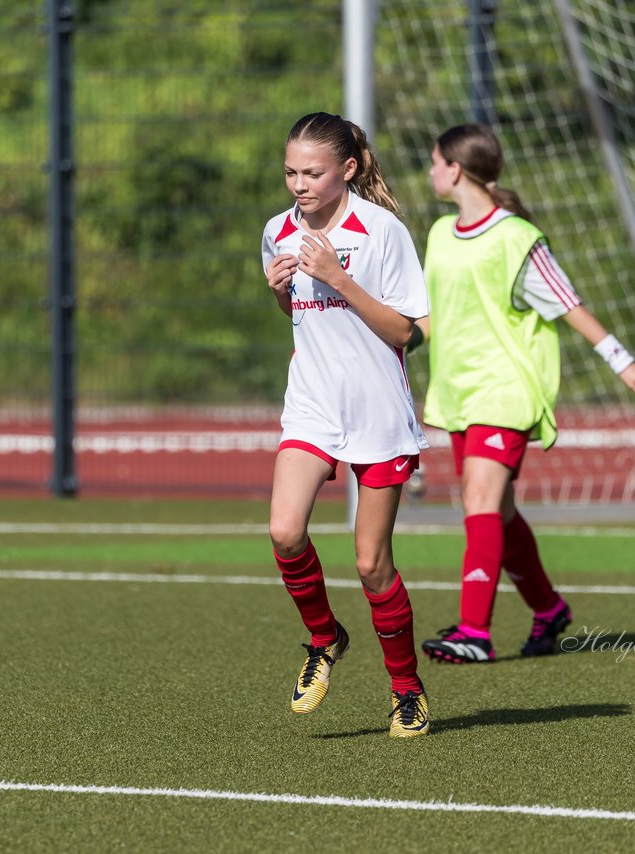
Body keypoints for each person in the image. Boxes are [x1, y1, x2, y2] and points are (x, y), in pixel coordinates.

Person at [415, 123, 635, 665]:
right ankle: (548, 610)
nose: (429, 171)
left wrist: (623, 361)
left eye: (434, 161)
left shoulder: (517, 237)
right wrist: (392, 345)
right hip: (458, 393)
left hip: (506, 389)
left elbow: (568, 303)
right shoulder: (437, 234)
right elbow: (430, 318)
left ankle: (474, 633)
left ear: (455, 169)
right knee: (496, 512)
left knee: (478, 502)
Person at [261, 112, 431, 736]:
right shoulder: (277, 230)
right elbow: (300, 316)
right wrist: (282, 291)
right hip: (312, 403)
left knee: (371, 565)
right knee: (284, 532)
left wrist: (338, 277)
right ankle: (324, 636)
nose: (298, 185)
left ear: (348, 170)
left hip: (378, 411)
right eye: (290, 172)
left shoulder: (382, 231)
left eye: (312, 173)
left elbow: (405, 335)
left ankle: (406, 687)